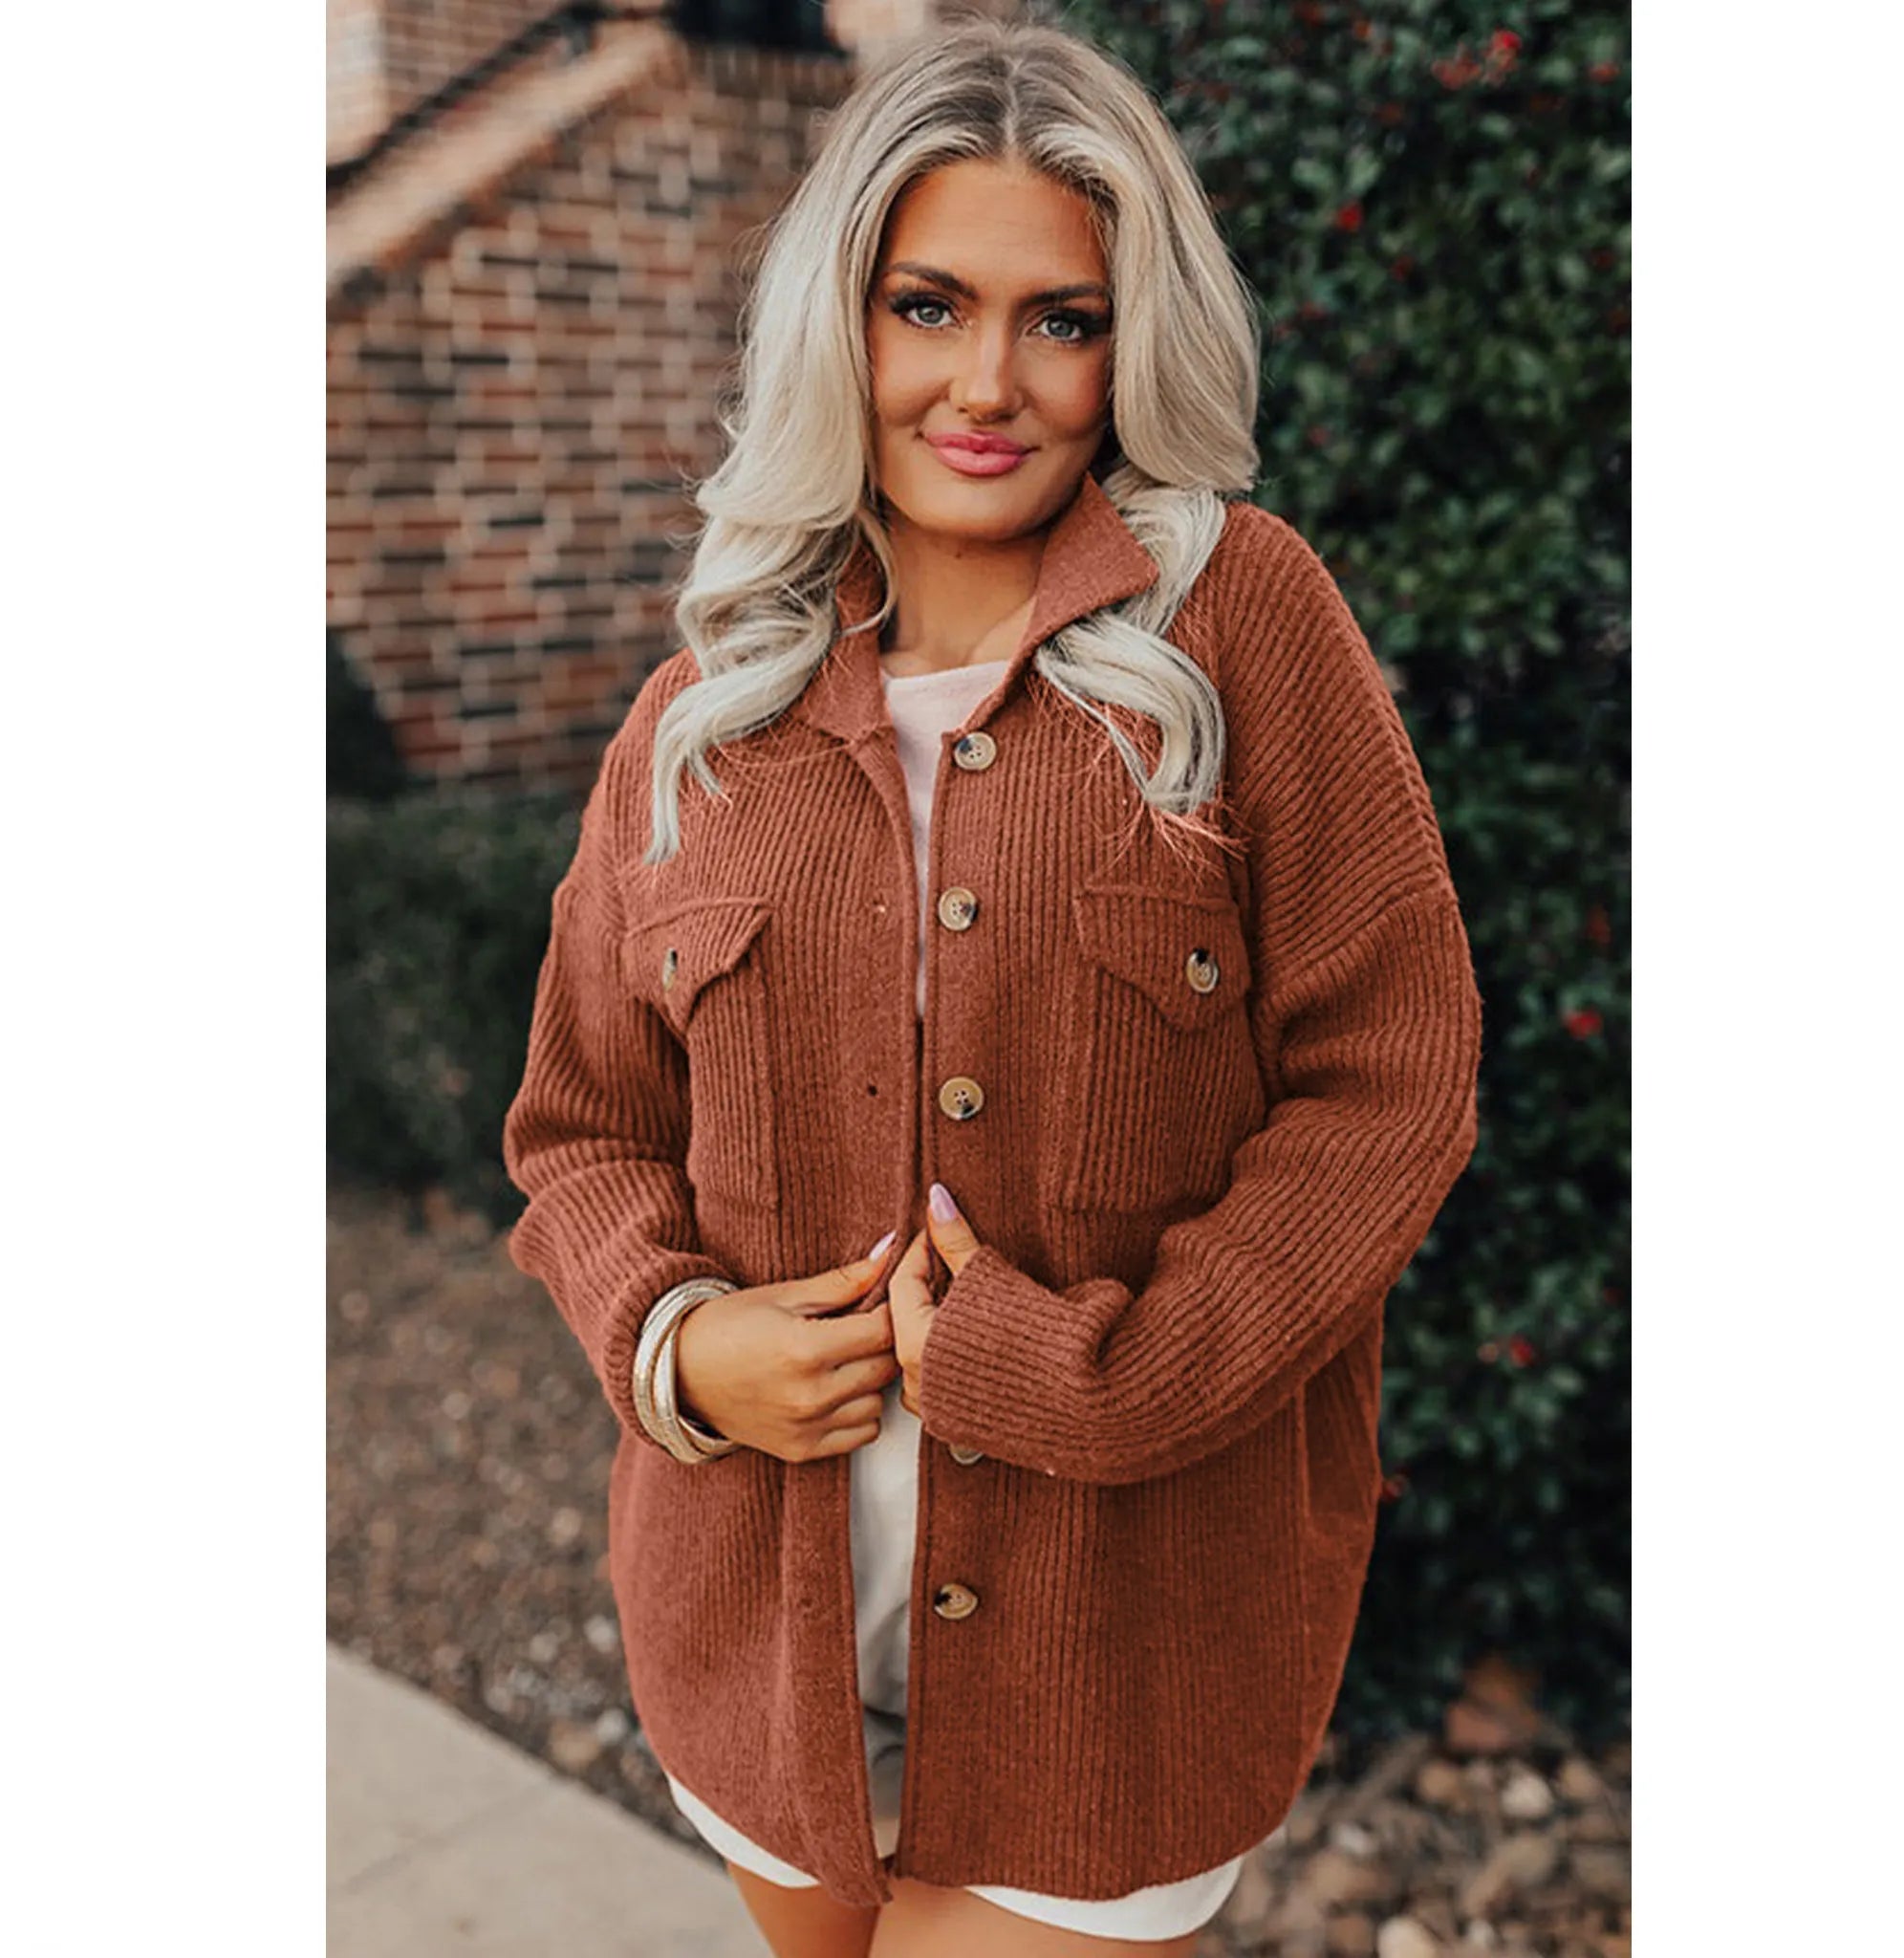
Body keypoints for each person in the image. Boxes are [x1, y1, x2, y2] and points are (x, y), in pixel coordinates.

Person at [503, 13, 1482, 1957]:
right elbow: (582, 1122)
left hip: (1119, 1658)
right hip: (752, 1655)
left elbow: (1393, 1085)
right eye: (927, 303)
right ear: (834, 321)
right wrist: (676, 1347)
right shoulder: (699, 714)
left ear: (1134, 343)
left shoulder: (1240, 625)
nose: (985, 381)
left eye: (1061, 317)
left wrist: (1097, 1377)